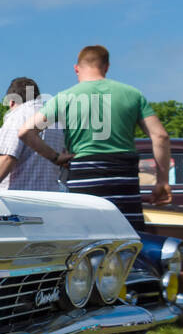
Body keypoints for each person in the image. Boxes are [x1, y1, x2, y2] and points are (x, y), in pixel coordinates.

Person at [18, 44, 171, 229]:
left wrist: (56, 158)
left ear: (76, 68)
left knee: (87, 239)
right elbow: (160, 136)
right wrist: (162, 181)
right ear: (106, 67)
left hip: (84, 179)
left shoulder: (64, 98)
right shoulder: (132, 94)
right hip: (124, 181)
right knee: (128, 240)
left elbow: (26, 132)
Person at [0, 77, 65, 191]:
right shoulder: (55, 121)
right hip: (51, 198)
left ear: (12, 101)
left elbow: (7, 157)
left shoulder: (18, 116)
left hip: (18, 200)